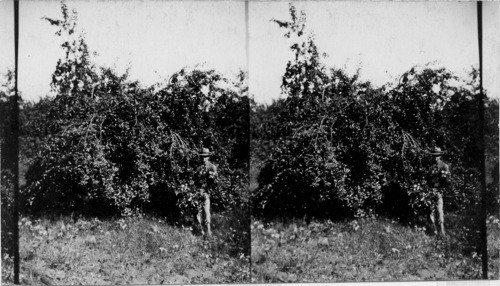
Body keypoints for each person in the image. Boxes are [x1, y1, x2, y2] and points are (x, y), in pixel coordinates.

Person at [194, 147, 218, 237]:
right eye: (202, 157)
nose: (203, 158)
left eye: (205, 157)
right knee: (198, 212)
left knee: (207, 212)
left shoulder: (212, 167)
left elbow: (215, 182)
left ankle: (209, 232)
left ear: (208, 157)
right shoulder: (198, 167)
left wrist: (212, 178)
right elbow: (195, 180)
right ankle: (201, 232)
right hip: (197, 192)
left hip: (206, 193)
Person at [428, 146, 450, 236]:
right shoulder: (430, 166)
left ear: (440, 156)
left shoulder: (444, 166)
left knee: (440, 211)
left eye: (437, 155)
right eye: (434, 155)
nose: (435, 157)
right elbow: (428, 179)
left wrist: (441, 189)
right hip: (430, 191)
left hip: (439, 191)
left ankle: (442, 232)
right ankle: (435, 231)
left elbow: (447, 181)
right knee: (431, 212)